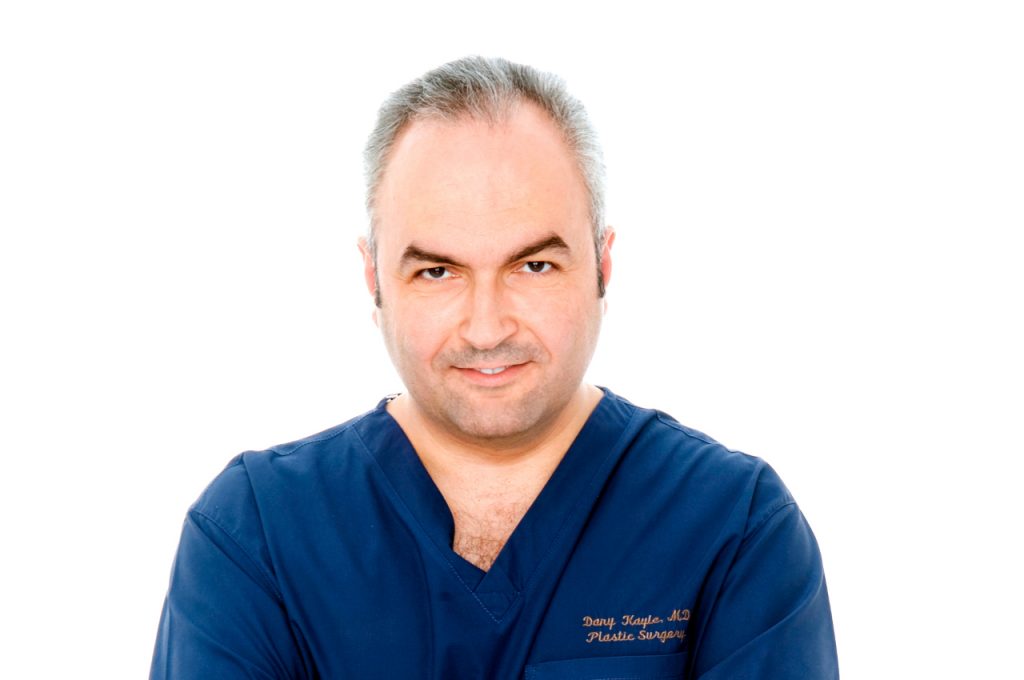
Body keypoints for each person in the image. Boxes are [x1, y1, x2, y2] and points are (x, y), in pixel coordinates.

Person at [151, 56, 839, 679]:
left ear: (602, 264)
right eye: (437, 271)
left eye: (533, 266)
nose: (487, 328)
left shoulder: (733, 528)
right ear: (374, 278)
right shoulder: (258, 535)